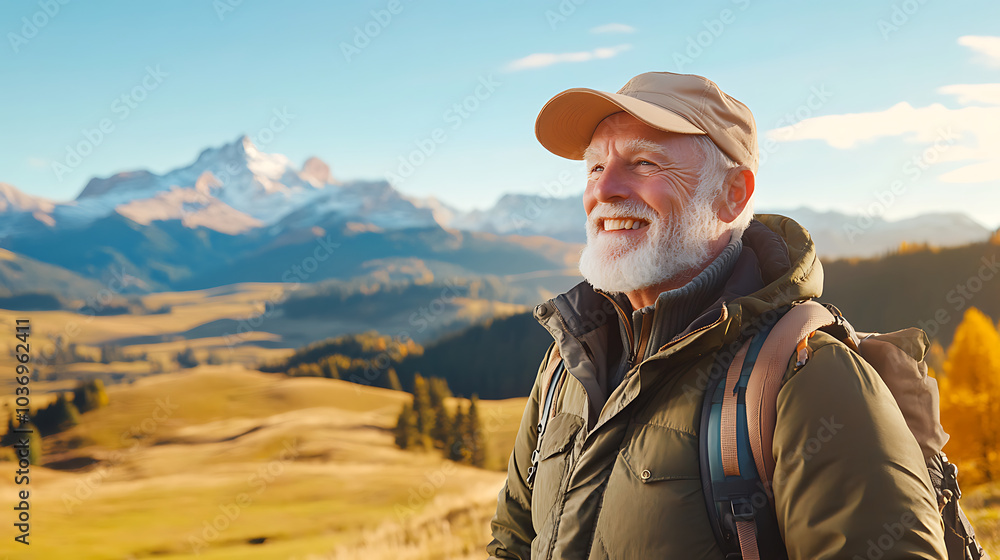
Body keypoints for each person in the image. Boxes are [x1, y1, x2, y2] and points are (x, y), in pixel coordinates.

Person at [487, 72, 948, 559]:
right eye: (595, 167)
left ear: (734, 194)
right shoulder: (567, 364)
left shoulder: (810, 378)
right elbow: (514, 539)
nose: (606, 189)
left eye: (644, 162)